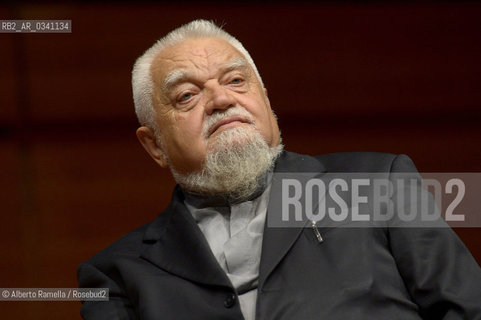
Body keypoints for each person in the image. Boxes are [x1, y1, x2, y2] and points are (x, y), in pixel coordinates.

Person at [77, 19, 481, 319]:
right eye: (187, 95)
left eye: (236, 80)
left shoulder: (378, 184)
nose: (220, 99)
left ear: (266, 103)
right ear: (154, 146)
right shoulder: (118, 273)